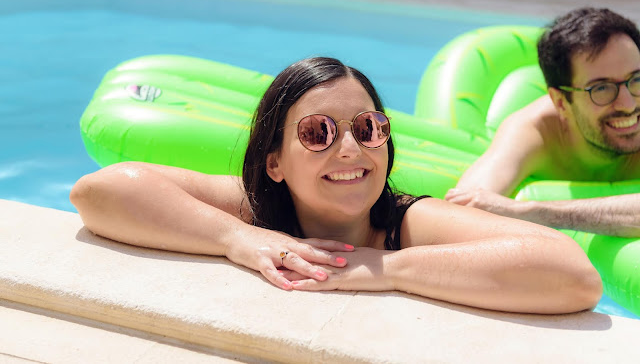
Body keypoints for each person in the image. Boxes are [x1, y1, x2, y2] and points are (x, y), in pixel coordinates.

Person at [71, 57, 601, 314]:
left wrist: (383, 268)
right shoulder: (255, 211)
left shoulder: (405, 223)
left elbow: (574, 275)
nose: (350, 149)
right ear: (275, 162)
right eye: (317, 132)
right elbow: (99, 191)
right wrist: (237, 238)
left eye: (368, 128)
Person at [446, 7, 640, 237]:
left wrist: (534, 213)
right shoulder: (535, 131)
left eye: (636, 79)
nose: (628, 104)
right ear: (560, 102)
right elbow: (462, 210)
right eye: (601, 89)